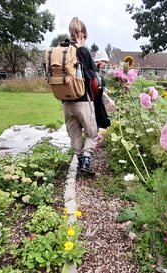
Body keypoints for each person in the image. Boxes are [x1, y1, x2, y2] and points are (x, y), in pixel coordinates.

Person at [63, 17, 98, 175]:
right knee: (92, 133)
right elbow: (93, 76)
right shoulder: (83, 51)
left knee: (75, 134)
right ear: (82, 34)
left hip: (66, 103)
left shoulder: (62, 51)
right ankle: (86, 160)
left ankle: (79, 162)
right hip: (83, 101)